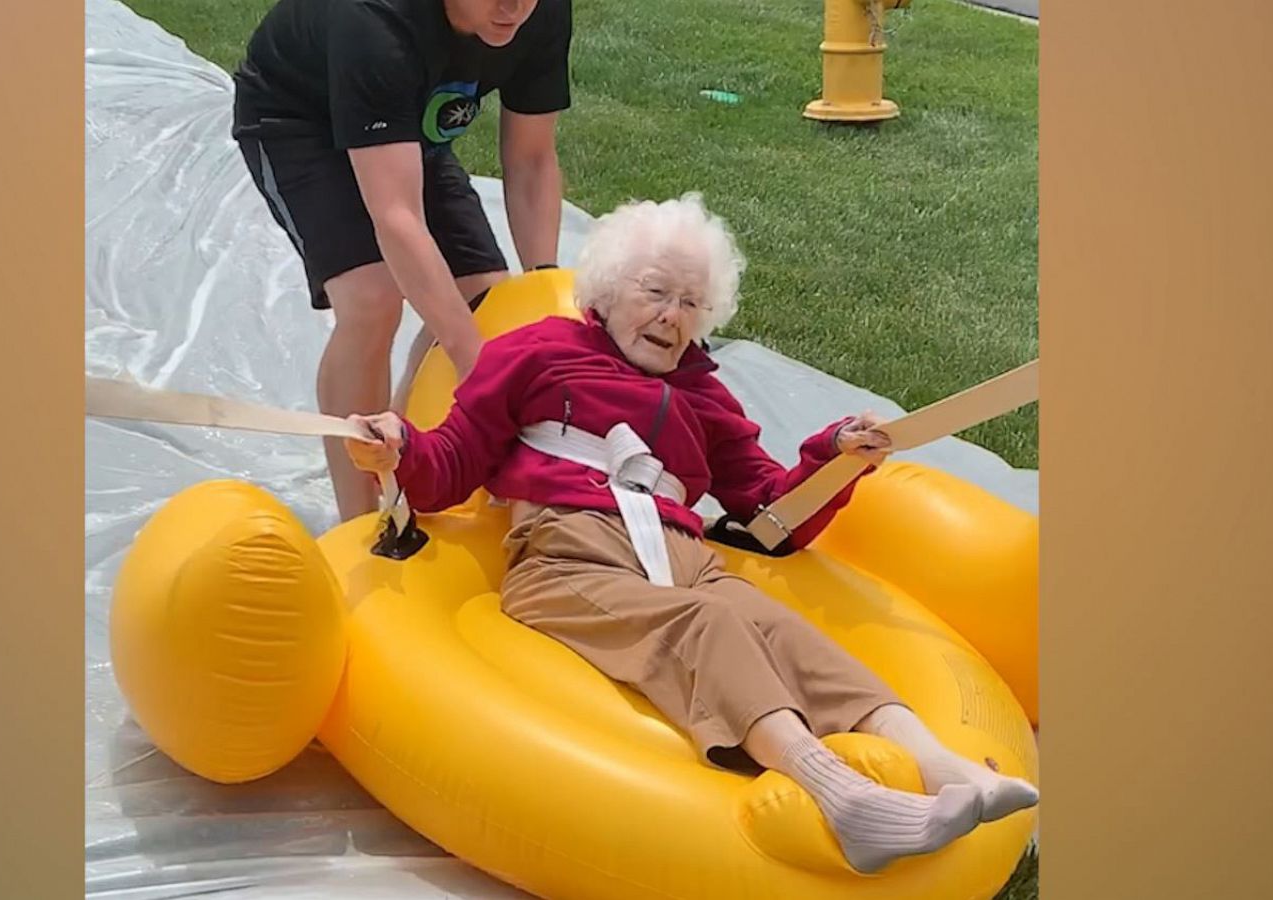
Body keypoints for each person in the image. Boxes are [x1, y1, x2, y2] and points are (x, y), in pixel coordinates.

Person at [342, 193, 1040, 873]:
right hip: (566, 556)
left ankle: (945, 768)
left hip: (681, 556)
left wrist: (833, 458)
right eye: (654, 293)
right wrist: (398, 448)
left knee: (778, 627)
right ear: (609, 291)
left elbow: (772, 515)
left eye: (690, 305)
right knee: (704, 621)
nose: (671, 318)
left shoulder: (705, 396)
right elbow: (452, 463)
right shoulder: (539, 353)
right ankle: (843, 796)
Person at [230, 0, 572, 521]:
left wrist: (544, 292)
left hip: (403, 122)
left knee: (486, 300)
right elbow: (396, 216)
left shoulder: (538, 10)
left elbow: (531, 159)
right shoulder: (373, 18)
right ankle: (363, 520)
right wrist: (477, 367)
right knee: (373, 300)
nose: (513, 7)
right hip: (299, 119)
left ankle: (410, 463)